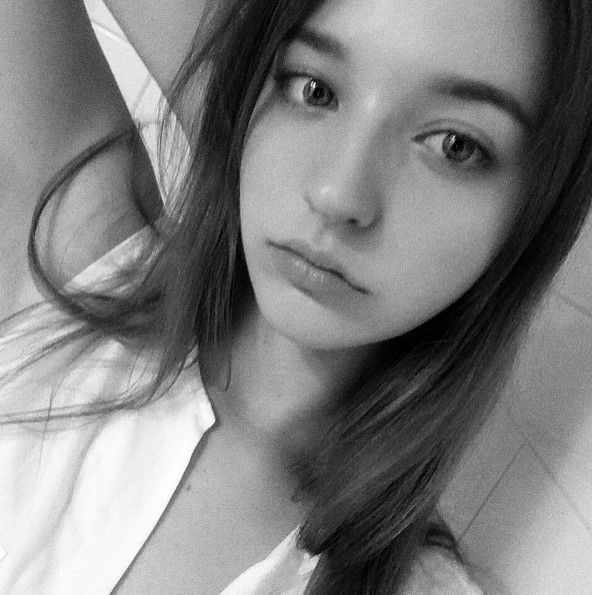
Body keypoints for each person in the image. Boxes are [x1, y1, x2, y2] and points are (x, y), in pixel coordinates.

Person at [0, 0, 590, 592]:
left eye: (454, 145)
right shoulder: (84, 272)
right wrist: (240, 99)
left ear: (533, 215)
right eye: (313, 90)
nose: (338, 195)